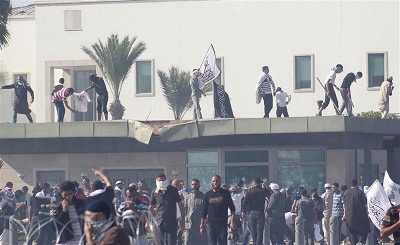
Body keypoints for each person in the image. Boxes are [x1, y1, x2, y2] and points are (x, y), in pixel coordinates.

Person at [150, 173, 185, 245]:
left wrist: (183, 221)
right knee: (159, 242)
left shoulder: (173, 190)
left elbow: (180, 204)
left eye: (163, 180)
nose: (162, 182)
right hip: (159, 221)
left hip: (171, 222)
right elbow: (151, 206)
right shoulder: (154, 192)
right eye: (160, 180)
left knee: (171, 242)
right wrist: (148, 221)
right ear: (157, 181)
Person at [201, 175, 236, 245]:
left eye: (217, 181)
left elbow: (232, 208)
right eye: (213, 181)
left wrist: (232, 221)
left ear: (220, 182)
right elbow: (204, 211)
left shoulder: (225, 193)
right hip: (211, 224)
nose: (215, 183)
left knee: (222, 242)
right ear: (211, 182)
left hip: (222, 223)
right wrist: (201, 225)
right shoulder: (208, 195)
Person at [52, 180, 86, 244]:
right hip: (65, 241)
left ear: (73, 193)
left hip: (80, 240)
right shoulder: (57, 207)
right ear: (61, 194)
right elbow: (55, 227)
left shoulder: (81, 204)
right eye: (65, 194)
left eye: (70, 194)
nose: (68, 197)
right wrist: (63, 211)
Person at [342, 179, 370, 245]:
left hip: (349, 216)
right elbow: (365, 205)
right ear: (357, 185)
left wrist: (344, 215)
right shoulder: (360, 193)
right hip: (361, 216)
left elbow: (344, 205)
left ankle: (355, 243)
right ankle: (360, 242)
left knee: (352, 233)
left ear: (350, 185)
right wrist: (368, 213)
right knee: (364, 230)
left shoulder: (346, 193)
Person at [184, 179, 207, 245]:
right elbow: (185, 211)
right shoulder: (187, 198)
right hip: (190, 226)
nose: (194, 186)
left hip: (200, 226)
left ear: (199, 185)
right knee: (188, 241)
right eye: (192, 184)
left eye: (195, 184)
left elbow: (206, 211)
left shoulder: (203, 197)